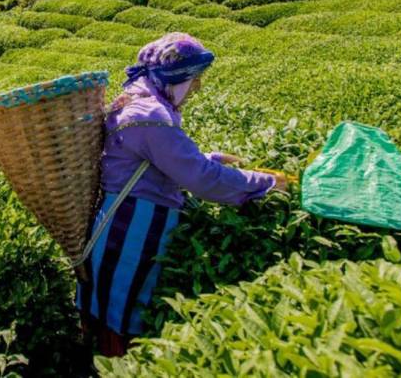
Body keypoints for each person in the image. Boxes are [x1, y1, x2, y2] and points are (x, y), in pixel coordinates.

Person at [76, 33, 288, 356]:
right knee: (121, 329)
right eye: (193, 80)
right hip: (131, 233)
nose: (197, 89)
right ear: (173, 77)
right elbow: (201, 179)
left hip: (121, 226)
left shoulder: (138, 101)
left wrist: (212, 158)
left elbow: (163, 163)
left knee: (111, 317)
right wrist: (266, 183)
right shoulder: (150, 116)